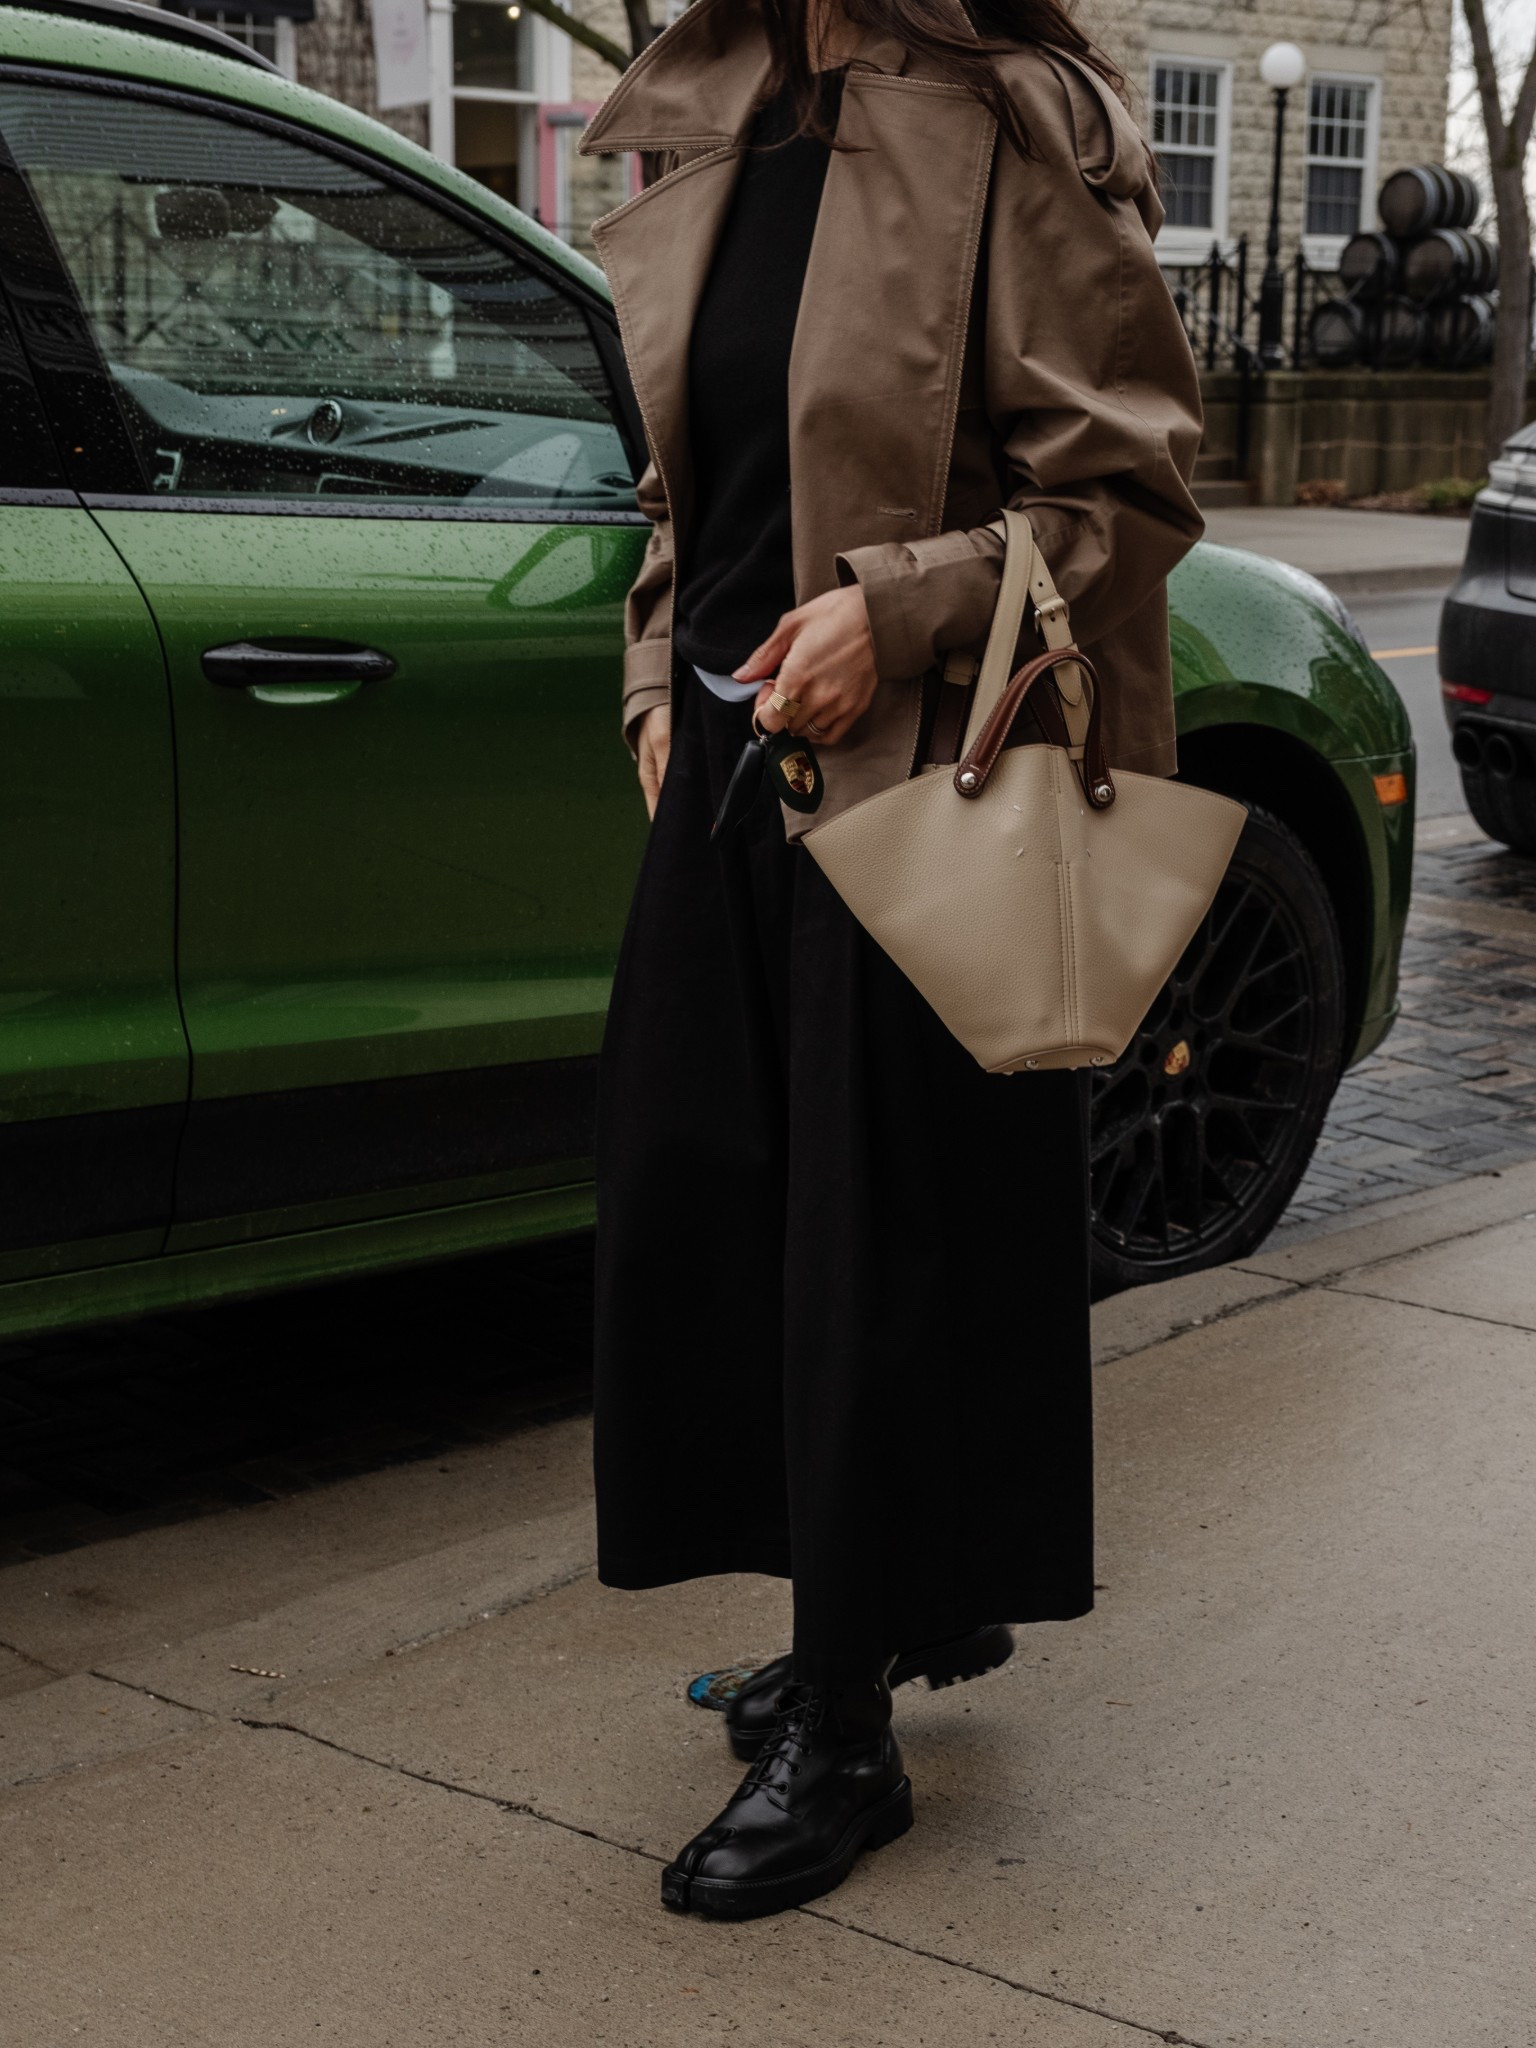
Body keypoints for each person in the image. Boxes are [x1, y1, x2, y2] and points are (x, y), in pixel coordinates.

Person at [580, 0, 1204, 1921]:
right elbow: (693, 489)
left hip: (923, 770)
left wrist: (900, 617)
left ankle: (844, 1726)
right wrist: (647, 680)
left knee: (873, 1244)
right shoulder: (719, 115)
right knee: (724, 1214)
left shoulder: (1012, 125)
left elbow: (1123, 497)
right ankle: (860, 1612)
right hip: (731, 767)